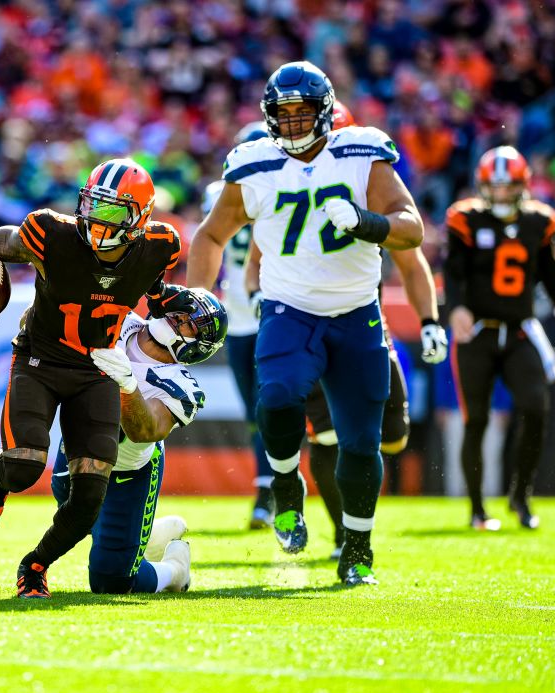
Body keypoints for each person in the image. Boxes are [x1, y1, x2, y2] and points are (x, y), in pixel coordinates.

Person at [188, 61, 424, 586]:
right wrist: (201, 298)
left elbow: (412, 229)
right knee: (275, 398)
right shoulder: (254, 164)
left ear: (325, 110)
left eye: (303, 112)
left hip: (356, 314)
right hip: (287, 310)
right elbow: (209, 236)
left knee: (361, 443)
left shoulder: (363, 153)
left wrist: (367, 222)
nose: (293, 123)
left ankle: (357, 549)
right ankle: (285, 485)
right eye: (283, 113)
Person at [0, 157, 195, 599]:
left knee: (89, 497)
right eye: (93, 205)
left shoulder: (160, 245)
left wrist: (161, 300)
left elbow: (151, 282)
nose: (97, 219)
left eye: (112, 211)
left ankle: (34, 566)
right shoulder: (52, 233)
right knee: (23, 465)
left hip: (96, 372)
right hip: (40, 360)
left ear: (138, 219)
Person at [241, 103, 449, 557]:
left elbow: (412, 260)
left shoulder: (366, 177)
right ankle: (344, 536)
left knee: (389, 437)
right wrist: (261, 299)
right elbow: (256, 262)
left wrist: (430, 320)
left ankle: (349, 524)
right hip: (302, 323)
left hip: (363, 323)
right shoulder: (284, 188)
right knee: (327, 434)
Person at [444, 146, 555, 530]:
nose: (502, 194)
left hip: (521, 330)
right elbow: (453, 271)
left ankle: (520, 496)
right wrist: (455, 307)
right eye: (496, 186)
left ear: (522, 186)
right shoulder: (465, 219)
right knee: (477, 420)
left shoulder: (539, 222)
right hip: (478, 333)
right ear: (483, 186)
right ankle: (477, 509)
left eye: (509, 187)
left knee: (536, 407)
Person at [51, 290, 227, 595]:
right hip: (79, 449)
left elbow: (145, 431)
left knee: (112, 580)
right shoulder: (119, 319)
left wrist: (128, 385)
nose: (177, 318)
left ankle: (174, 570)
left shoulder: (181, 384)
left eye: (189, 323)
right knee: (68, 508)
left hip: (127, 474)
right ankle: (148, 538)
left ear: (197, 347)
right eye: (180, 310)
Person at [200, 122, 276, 530]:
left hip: (273, 311)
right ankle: (269, 488)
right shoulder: (224, 193)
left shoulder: (276, 188)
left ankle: (270, 492)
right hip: (239, 317)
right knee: (254, 411)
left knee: (268, 408)